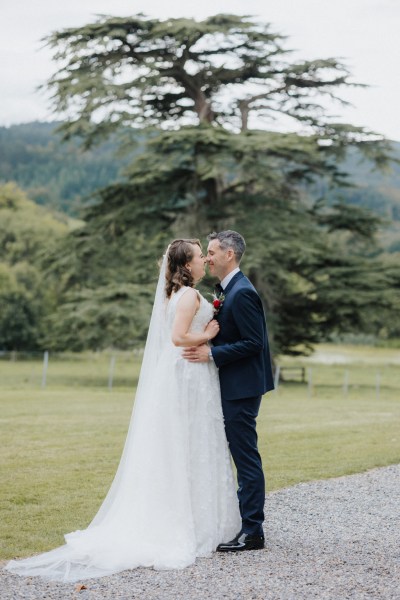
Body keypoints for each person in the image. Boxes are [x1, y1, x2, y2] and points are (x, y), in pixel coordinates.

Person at [5, 239, 241, 582]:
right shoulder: (189, 295)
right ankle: (197, 523)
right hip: (189, 372)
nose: (205, 260)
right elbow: (178, 338)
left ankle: (195, 516)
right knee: (192, 442)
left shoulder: (174, 295)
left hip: (187, 374)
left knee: (188, 444)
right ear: (187, 266)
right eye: (198, 256)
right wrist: (207, 333)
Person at [183, 231, 274, 551]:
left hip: (242, 387)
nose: (206, 258)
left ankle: (253, 530)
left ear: (229, 255)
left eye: (211, 252)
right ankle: (242, 522)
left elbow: (254, 343)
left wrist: (212, 354)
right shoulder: (228, 289)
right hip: (233, 384)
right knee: (238, 452)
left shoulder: (243, 292)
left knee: (245, 455)